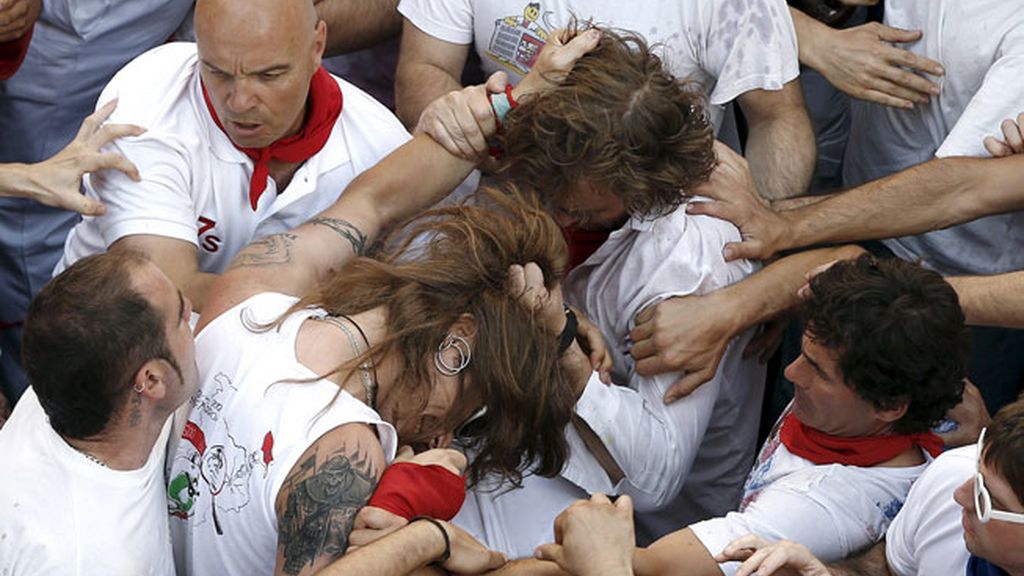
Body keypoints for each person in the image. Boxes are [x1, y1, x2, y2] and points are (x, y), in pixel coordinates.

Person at [167, 32, 601, 575]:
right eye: (468, 408)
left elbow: (371, 202)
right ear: (456, 346)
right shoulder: (348, 452)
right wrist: (429, 542)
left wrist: (518, 98)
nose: (439, 438)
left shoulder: (253, 295)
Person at [442, 26, 765, 555]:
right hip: (517, 459)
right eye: (552, 191)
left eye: (585, 211)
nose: (561, 214)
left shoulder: (694, 255)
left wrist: (561, 341)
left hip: (657, 540)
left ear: (650, 186)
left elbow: (656, 479)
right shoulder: (532, 163)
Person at [497, 255, 968, 576]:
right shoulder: (913, 385)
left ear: (889, 406)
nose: (791, 371)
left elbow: (653, 566)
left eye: (819, 371)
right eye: (803, 349)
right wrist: (738, 313)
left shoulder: (820, 508)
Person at [54, 0, 422, 317]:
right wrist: (333, 303)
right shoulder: (147, 102)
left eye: (269, 75)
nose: (239, 102)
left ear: (317, 46)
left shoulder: (380, 143)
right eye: (217, 71)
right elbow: (165, 295)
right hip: (110, 363)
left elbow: (421, 292)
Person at [396, 0, 816, 202]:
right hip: (505, 196)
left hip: (657, 224)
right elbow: (425, 66)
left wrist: (761, 245)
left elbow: (776, 119)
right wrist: (468, 127)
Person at [0, 250, 200, 574]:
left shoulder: (68, 373)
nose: (192, 307)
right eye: (180, 314)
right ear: (151, 381)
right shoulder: (89, 559)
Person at [717, 397, 1024, 576]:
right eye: (977, 471)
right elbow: (890, 568)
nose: (960, 495)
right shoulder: (950, 477)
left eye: (987, 500)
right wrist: (821, 572)